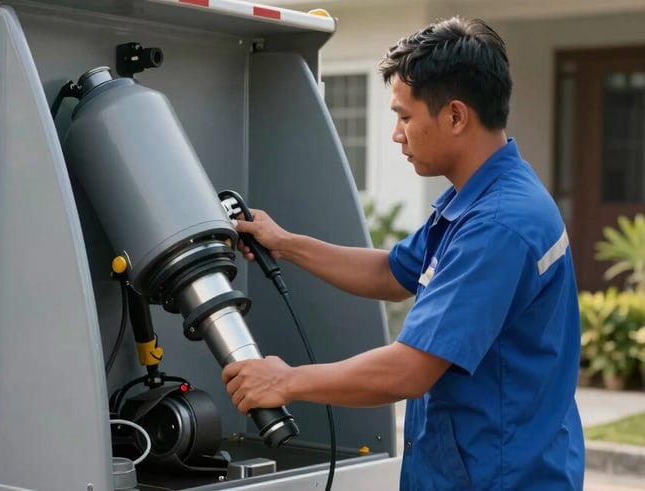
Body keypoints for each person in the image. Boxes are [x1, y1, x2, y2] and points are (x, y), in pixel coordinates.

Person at [221, 15, 584, 490]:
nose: (396, 134)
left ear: (455, 116)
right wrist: (286, 244)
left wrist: (285, 381)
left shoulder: (498, 224)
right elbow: (392, 274)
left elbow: (410, 369)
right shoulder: (477, 198)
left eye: (405, 117)